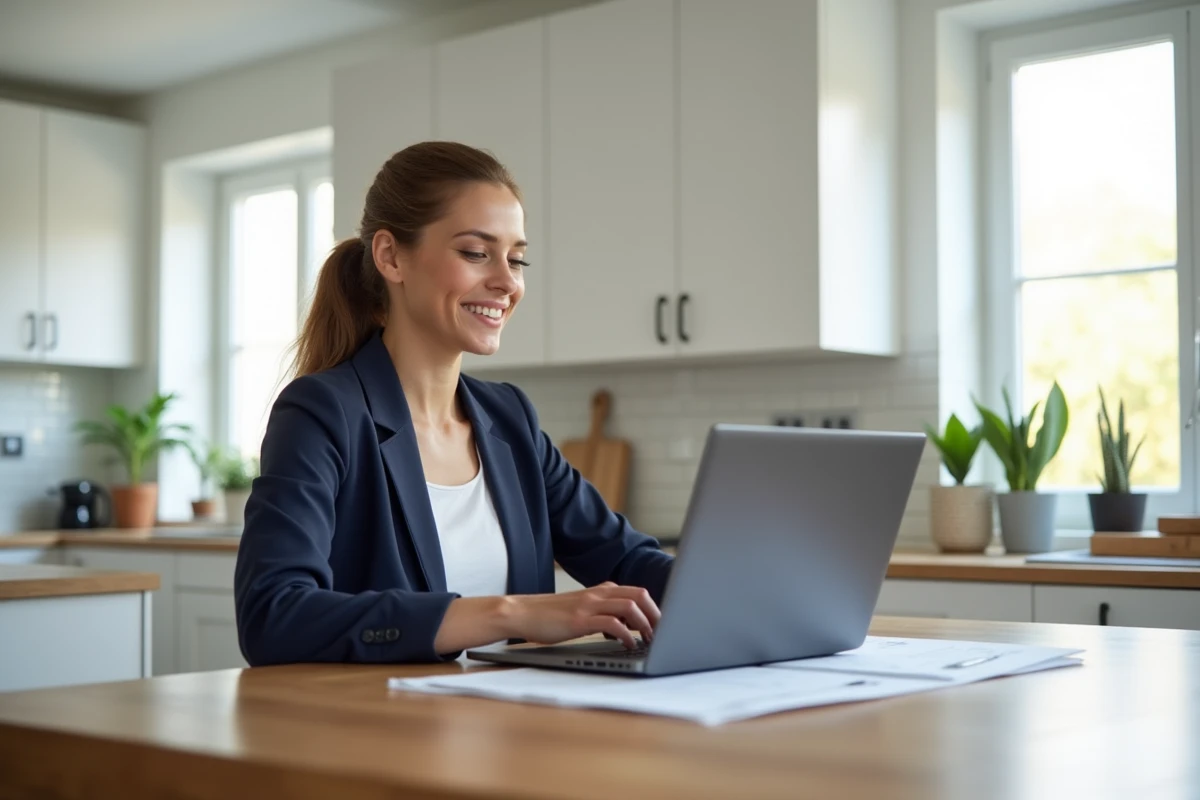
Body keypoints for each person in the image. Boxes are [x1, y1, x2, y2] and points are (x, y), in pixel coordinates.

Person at [233, 141, 674, 666]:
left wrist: (749, 587)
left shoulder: (510, 419)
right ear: (391, 256)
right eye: (474, 253)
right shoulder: (321, 413)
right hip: (386, 733)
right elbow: (273, 616)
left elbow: (627, 558)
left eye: (517, 258)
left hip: (519, 731)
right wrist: (512, 613)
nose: (507, 282)